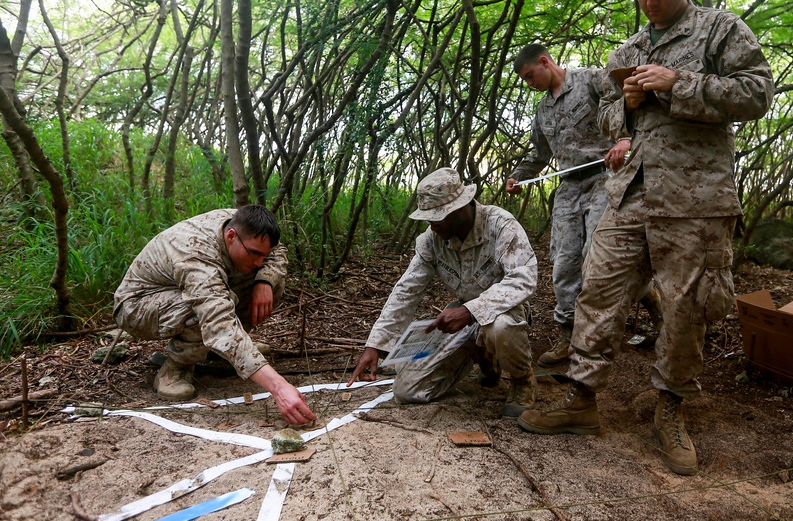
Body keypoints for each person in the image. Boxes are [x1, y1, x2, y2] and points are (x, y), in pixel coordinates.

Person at [518, 0, 774, 476]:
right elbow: (608, 119)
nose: (650, 2)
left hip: (695, 200)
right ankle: (581, 397)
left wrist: (679, 82)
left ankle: (670, 407)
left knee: (685, 306)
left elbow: (757, 94)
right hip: (630, 193)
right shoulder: (628, 50)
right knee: (597, 288)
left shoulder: (720, 31)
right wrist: (628, 104)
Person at [348, 167, 539, 418]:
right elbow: (407, 291)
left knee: (499, 327)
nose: (433, 225)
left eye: (439, 218)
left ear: (461, 208)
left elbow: (523, 279)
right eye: (429, 219)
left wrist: (471, 311)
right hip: (461, 317)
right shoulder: (431, 239)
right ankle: (484, 359)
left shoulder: (500, 225)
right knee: (407, 391)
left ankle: (522, 380)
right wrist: (376, 345)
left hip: (504, 311)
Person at [113, 205, 316, 425]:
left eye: (262, 255)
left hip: (182, 292)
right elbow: (219, 321)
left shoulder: (243, 225)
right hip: (138, 306)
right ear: (231, 237)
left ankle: (221, 351)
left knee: (271, 282)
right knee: (198, 309)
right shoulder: (196, 254)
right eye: (255, 254)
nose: (259, 261)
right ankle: (176, 369)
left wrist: (265, 280)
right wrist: (279, 387)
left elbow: (276, 251)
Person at [506, 45, 632, 368]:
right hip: (569, 189)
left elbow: (624, 108)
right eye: (524, 80)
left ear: (545, 62)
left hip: (604, 178)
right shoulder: (542, 111)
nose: (529, 83)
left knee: (597, 256)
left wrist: (624, 138)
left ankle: (602, 331)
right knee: (564, 262)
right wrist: (518, 176)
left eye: (530, 75)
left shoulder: (590, 80)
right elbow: (538, 153)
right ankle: (567, 334)